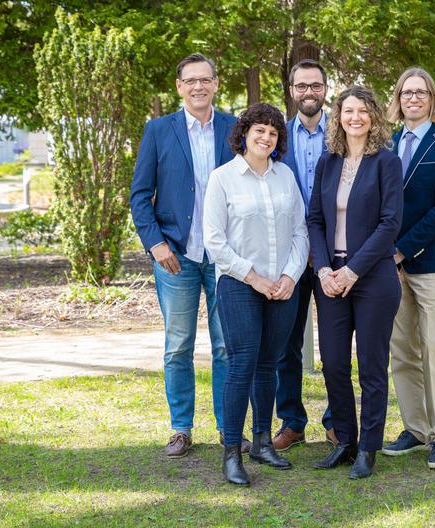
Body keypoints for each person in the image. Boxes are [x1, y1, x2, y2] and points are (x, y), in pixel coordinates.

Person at [130, 53, 249, 459]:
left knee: (226, 346)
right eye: (190, 81)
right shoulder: (158, 131)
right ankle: (181, 429)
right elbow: (140, 196)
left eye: (205, 79)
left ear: (216, 83)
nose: (198, 87)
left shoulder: (236, 128)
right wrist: (156, 243)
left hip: (224, 256)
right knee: (178, 345)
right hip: (175, 256)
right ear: (179, 86)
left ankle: (227, 428)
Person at [203, 103, 308, 486]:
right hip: (238, 284)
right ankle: (233, 451)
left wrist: (289, 276)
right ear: (244, 133)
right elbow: (215, 242)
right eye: (259, 130)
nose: (266, 138)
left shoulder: (285, 177)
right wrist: (256, 279)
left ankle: (264, 442)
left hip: (283, 285)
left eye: (273, 133)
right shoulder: (223, 179)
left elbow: (300, 231)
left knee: (270, 363)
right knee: (242, 362)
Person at [308, 86, 403, 479]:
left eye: (363, 111)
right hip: (330, 278)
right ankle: (345, 440)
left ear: (374, 117)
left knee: (371, 366)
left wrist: (353, 271)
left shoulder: (386, 162)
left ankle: (368, 447)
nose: (356, 117)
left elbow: (389, 224)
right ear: (339, 116)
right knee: (332, 363)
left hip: (372, 278)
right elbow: (314, 219)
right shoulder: (328, 162)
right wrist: (324, 270)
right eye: (349, 111)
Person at [381, 67, 435, 470]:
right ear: (397, 99)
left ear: (432, 99)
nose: (413, 99)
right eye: (406, 92)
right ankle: (415, 429)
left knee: (434, 347)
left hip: (429, 262)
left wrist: (401, 250)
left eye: (421, 93)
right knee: (401, 349)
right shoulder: (387, 144)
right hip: (389, 265)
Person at [274, 59, 335, 451]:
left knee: (334, 345)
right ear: (292, 90)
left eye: (315, 85)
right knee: (285, 343)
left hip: (334, 255)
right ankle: (292, 421)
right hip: (289, 257)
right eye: (301, 86)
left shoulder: (344, 131)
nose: (308, 92)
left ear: (325, 89)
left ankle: (337, 421)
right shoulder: (276, 136)